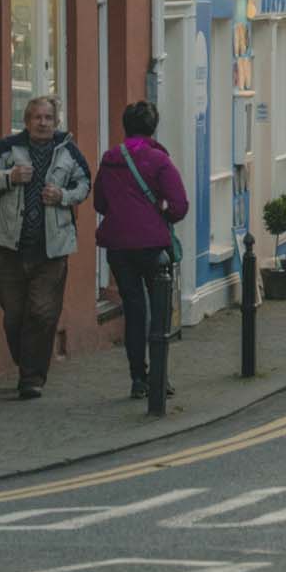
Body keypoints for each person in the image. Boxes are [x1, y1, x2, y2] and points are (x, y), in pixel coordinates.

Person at [0, 96, 92, 399]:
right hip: (10, 248)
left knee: (41, 312)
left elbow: (85, 185)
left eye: (48, 118)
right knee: (14, 315)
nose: (42, 123)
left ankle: (32, 378)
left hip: (51, 249)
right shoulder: (7, 149)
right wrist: (9, 178)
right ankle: (28, 363)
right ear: (26, 121)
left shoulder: (68, 151)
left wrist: (63, 196)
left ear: (56, 122)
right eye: (37, 117)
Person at [94, 100, 189, 400]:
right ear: (153, 127)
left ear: (125, 126)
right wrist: (161, 215)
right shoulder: (159, 161)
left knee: (134, 311)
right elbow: (179, 205)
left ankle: (138, 378)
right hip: (152, 248)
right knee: (159, 312)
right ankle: (160, 377)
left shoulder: (110, 160)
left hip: (119, 248)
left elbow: (99, 203)